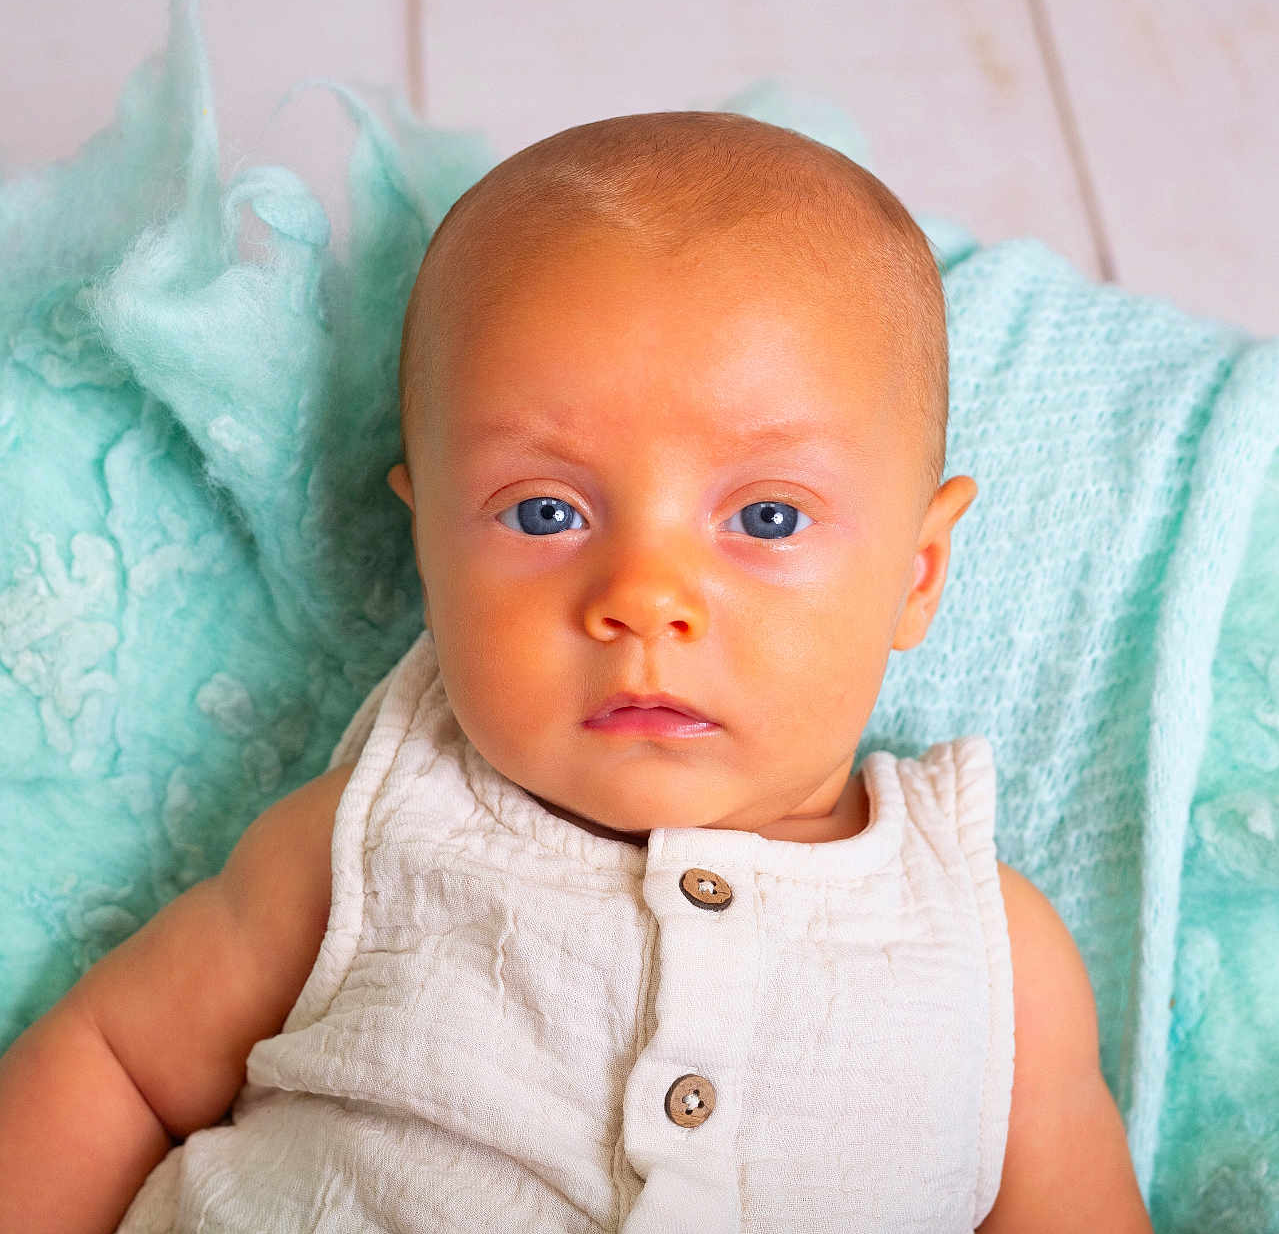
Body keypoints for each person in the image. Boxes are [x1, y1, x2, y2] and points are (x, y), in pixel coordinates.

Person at [0, 110, 1153, 1232]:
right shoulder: (366, 841)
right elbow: (118, 1064)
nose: (642, 596)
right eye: (544, 510)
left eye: (765, 515)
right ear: (429, 545)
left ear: (916, 573)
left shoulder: (990, 951)